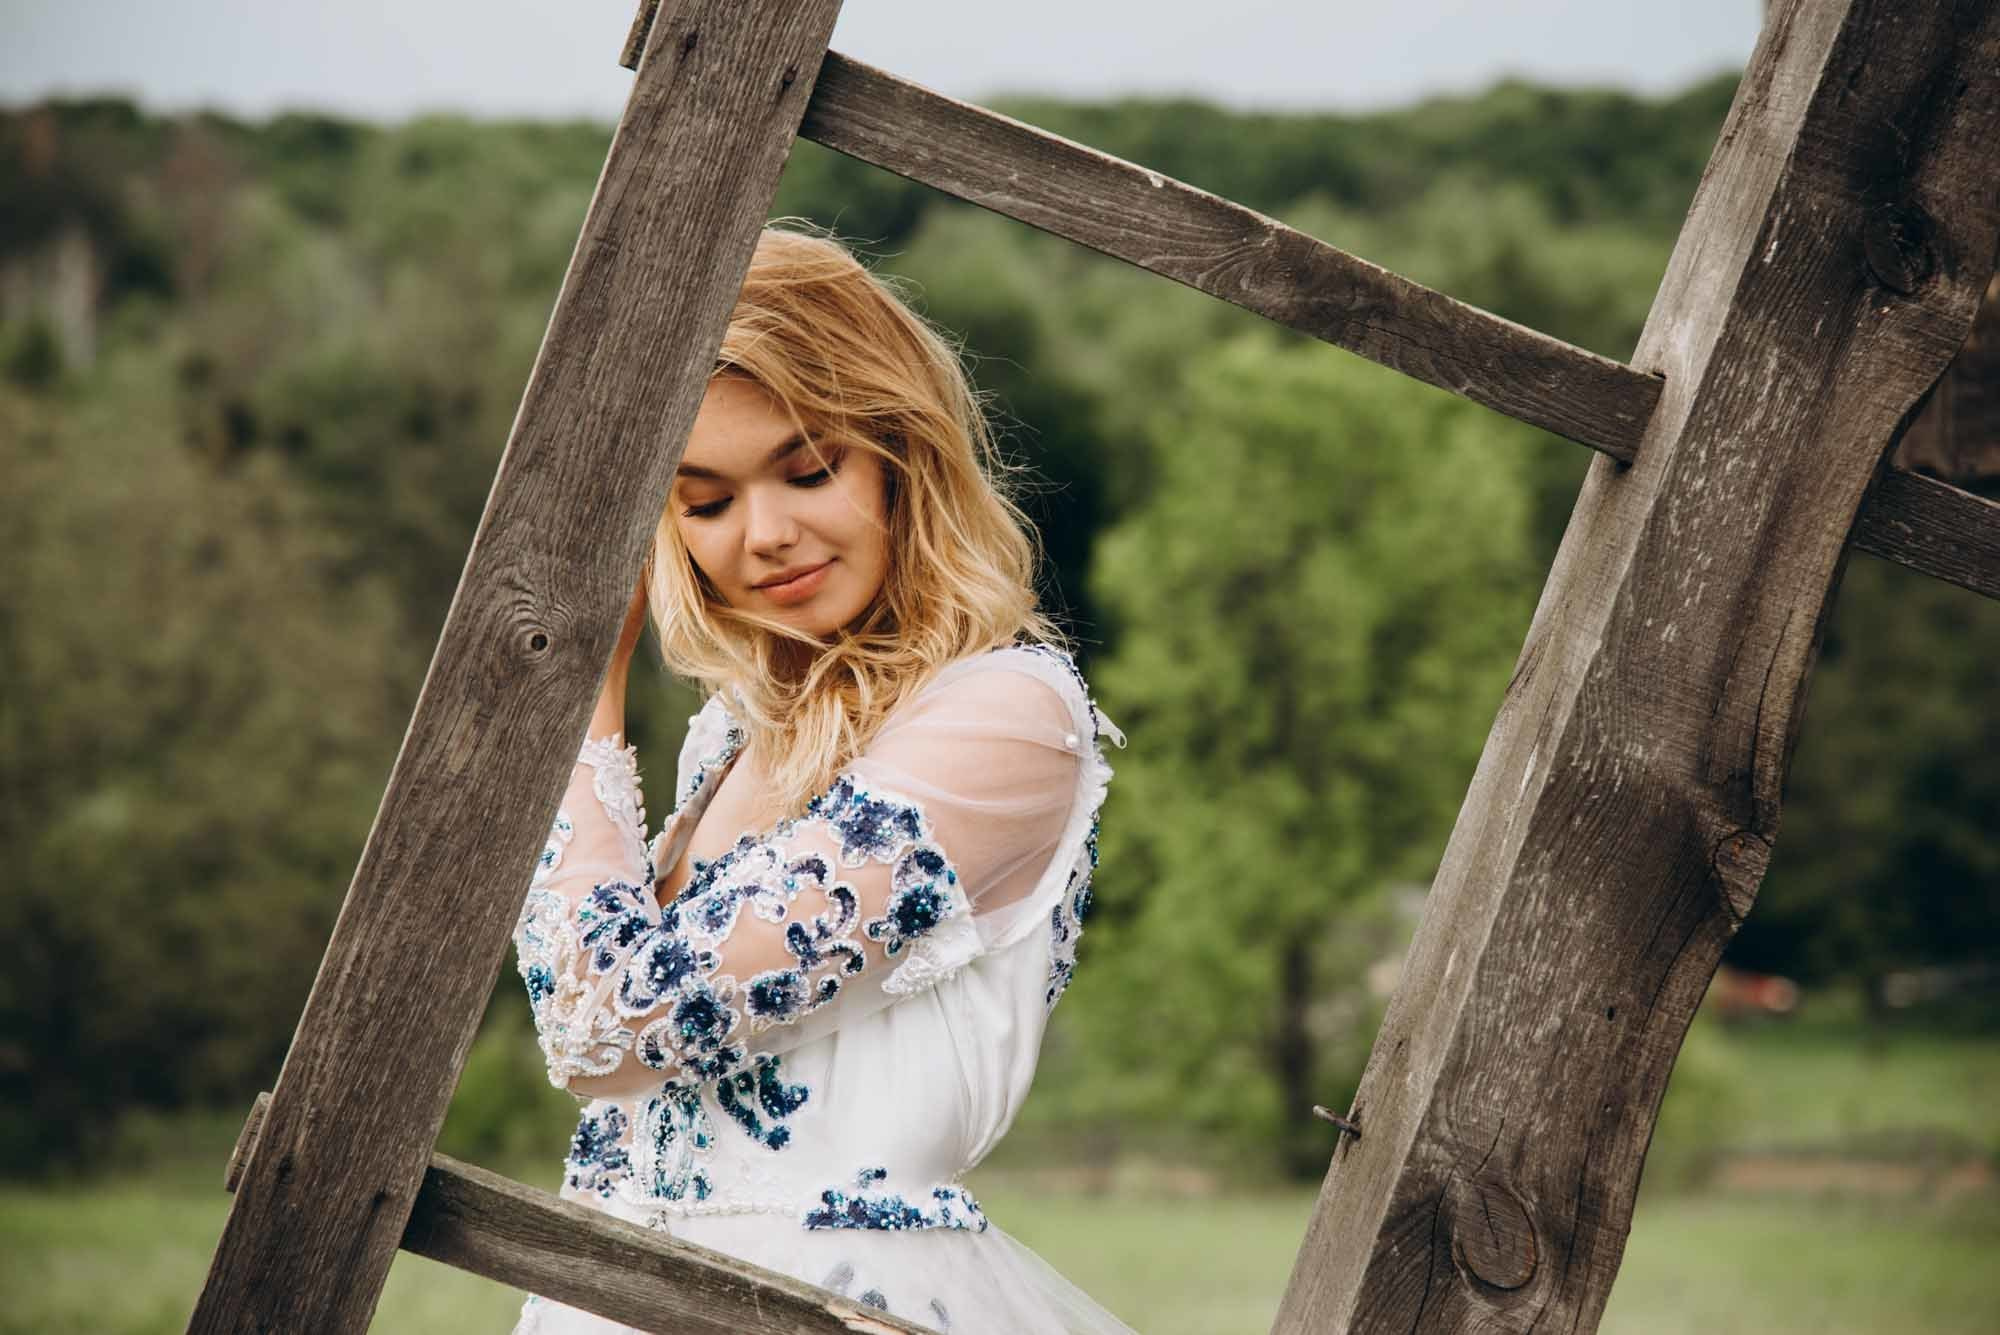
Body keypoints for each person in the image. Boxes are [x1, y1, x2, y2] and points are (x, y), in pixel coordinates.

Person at [509, 223, 1133, 1335]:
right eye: (704, 502)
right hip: (606, 1293)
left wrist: (581, 706)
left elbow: (602, 1025)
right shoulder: (729, 737)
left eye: (807, 470)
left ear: (900, 449)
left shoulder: (1005, 717)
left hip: (828, 1299)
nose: (767, 535)